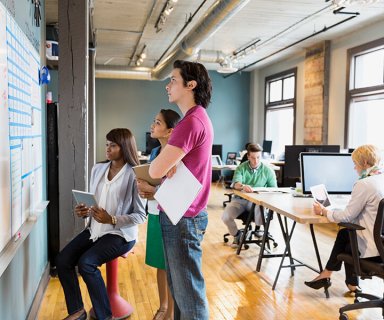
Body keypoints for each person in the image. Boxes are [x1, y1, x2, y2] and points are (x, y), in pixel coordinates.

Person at [56, 128, 146, 320]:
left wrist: (112, 219)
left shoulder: (134, 175)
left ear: (124, 147)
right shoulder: (98, 169)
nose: (108, 148)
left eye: (113, 145)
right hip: (95, 229)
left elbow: (140, 215)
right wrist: (84, 211)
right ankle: (77, 311)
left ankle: (104, 316)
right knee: (63, 260)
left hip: (120, 234)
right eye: (107, 144)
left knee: (86, 263)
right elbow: (94, 203)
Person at [149, 60, 213, 320]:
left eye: (173, 80)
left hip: (183, 218)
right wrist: (168, 163)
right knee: (182, 295)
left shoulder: (190, 122)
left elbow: (154, 170)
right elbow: (165, 166)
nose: (168, 85)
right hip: (182, 215)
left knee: (190, 299)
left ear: (191, 85)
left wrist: (165, 163)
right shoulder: (198, 119)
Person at [305, 144, 384, 293]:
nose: (355, 168)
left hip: (373, 250)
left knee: (348, 236)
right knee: (347, 234)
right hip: (382, 245)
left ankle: (327, 274)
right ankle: (349, 283)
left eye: (355, 164)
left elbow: (347, 216)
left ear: (365, 163)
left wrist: (324, 211)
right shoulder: (381, 179)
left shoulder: (365, 184)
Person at [137, 109, 181, 320]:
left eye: (157, 123)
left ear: (170, 130)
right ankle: (163, 306)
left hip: (171, 215)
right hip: (154, 212)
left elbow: (178, 190)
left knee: (171, 266)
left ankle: (171, 312)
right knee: (159, 264)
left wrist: (153, 190)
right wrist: (144, 188)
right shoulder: (155, 153)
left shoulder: (178, 155)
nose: (152, 126)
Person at [221, 143, 277, 245]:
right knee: (225, 217)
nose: (256, 161)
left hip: (256, 202)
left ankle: (259, 229)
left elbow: (274, 190)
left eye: (258, 157)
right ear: (248, 156)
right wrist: (242, 186)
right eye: (253, 158)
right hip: (239, 201)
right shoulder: (241, 168)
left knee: (260, 207)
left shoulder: (268, 170)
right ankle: (237, 235)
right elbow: (235, 184)